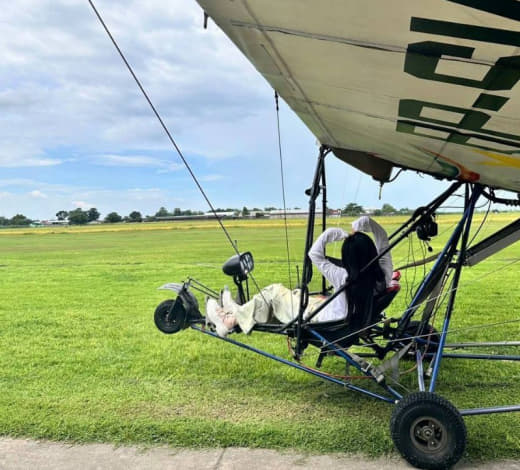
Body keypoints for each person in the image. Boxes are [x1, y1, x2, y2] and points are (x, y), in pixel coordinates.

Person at [206, 216, 393, 337]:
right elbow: (384, 241)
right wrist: (364, 225)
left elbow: (314, 254)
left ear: (348, 259)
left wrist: (331, 234)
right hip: (333, 314)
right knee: (292, 295)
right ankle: (236, 310)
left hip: (320, 320)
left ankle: (229, 321)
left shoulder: (343, 277)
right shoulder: (382, 276)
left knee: (274, 291)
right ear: (371, 253)